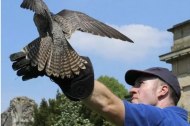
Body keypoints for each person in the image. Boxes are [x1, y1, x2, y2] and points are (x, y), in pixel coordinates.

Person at [10, 53, 189, 126]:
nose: (132, 90)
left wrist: (71, 70)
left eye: (140, 84)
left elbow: (108, 104)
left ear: (162, 90)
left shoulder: (165, 120)